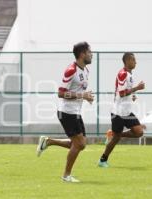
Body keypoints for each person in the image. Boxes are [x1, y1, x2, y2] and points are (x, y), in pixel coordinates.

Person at [36, 42, 94, 182]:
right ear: (82, 54)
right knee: (79, 144)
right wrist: (82, 96)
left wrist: (86, 97)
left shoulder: (85, 70)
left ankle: (48, 141)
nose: (91, 54)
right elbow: (61, 93)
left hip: (75, 112)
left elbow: (77, 91)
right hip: (66, 112)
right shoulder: (71, 70)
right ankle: (66, 175)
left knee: (80, 144)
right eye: (89, 52)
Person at [98, 52, 145, 168]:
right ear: (127, 61)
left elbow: (125, 92)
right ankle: (102, 160)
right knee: (115, 140)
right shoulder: (123, 74)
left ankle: (112, 134)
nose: (135, 62)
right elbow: (122, 93)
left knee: (139, 132)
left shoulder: (129, 74)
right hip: (118, 112)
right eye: (133, 60)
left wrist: (132, 95)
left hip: (127, 112)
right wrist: (137, 88)